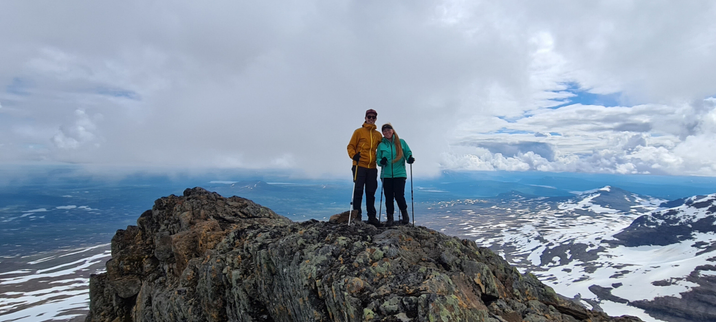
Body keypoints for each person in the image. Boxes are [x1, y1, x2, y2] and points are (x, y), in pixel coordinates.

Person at [347, 109, 383, 226]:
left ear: (376, 119)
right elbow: (350, 146)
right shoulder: (358, 132)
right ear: (365, 118)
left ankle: (371, 217)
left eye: (373, 117)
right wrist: (354, 156)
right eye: (369, 117)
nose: (371, 119)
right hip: (359, 165)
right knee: (358, 191)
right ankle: (357, 216)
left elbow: (382, 148)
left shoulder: (378, 135)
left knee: (370, 192)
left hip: (372, 167)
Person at [376, 123, 414, 226]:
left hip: (399, 174)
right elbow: (378, 159)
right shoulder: (381, 145)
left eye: (389, 130)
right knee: (388, 197)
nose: (387, 132)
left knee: (399, 196)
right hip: (386, 175)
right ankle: (390, 218)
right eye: (384, 131)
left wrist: (410, 158)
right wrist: (381, 162)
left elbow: (407, 153)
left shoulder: (401, 142)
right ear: (383, 133)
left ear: (392, 131)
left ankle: (405, 216)